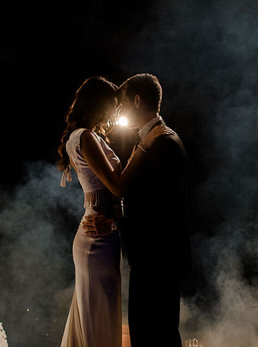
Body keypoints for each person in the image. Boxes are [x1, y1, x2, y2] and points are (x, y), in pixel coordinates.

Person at [58, 76, 171, 347]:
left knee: (101, 311)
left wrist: (116, 220)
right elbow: (117, 186)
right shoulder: (84, 137)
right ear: (99, 103)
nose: (116, 111)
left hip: (105, 231)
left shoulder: (91, 136)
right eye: (113, 104)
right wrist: (143, 146)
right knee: (96, 314)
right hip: (96, 238)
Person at [85, 73, 190, 347]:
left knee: (155, 333)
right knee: (149, 331)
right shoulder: (151, 140)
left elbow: (159, 212)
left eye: (121, 104)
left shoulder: (164, 143)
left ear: (136, 100)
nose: (119, 111)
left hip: (158, 258)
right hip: (153, 257)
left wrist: (115, 225)